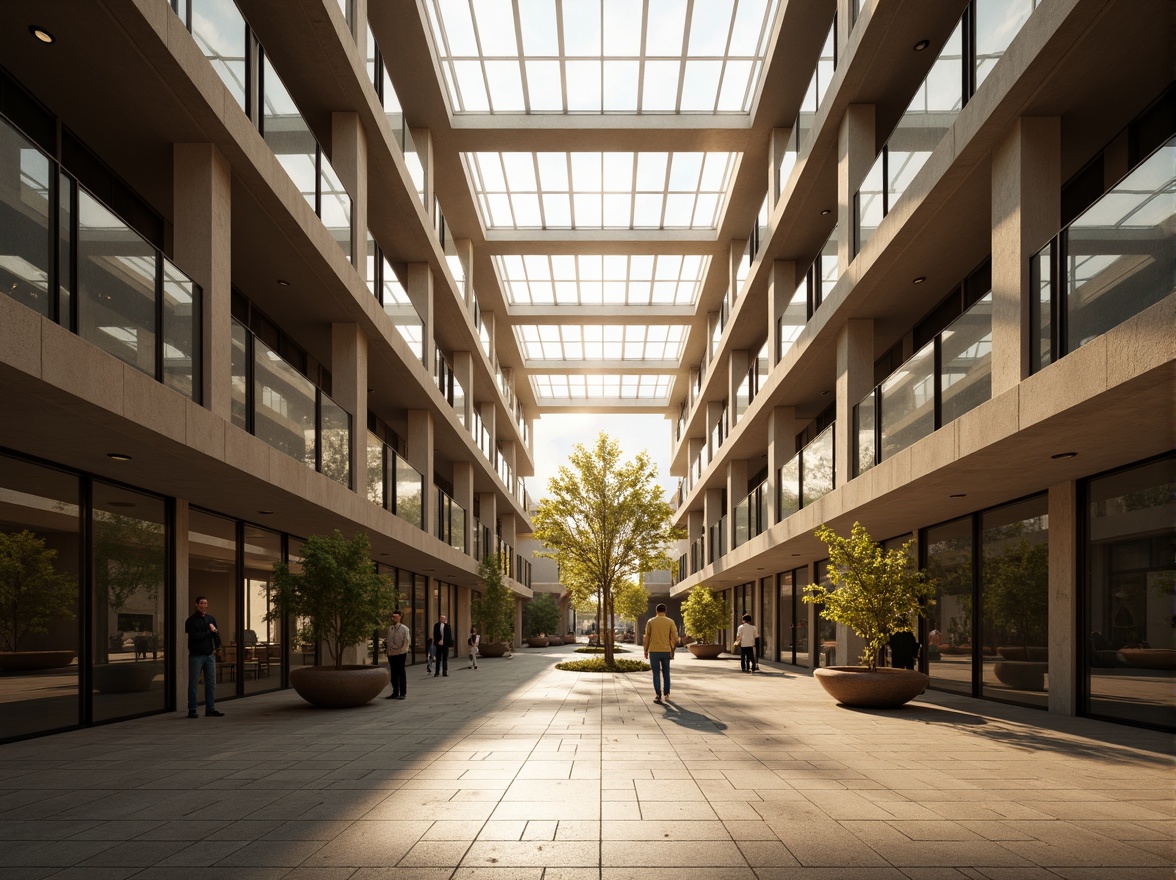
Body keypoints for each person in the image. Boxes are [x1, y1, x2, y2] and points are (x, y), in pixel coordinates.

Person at [184, 596, 224, 718]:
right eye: (201, 603)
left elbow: (216, 634)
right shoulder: (191, 620)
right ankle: (192, 709)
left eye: (205, 603)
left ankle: (210, 708)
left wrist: (218, 647)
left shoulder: (210, 618)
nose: (204, 605)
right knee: (194, 683)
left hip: (209, 655)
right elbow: (194, 636)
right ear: (196, 605)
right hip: (196, 656)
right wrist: (209, 632)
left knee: (211, 683)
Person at [643, 603, 678, 704]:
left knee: (656, 674)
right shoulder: (670, 622)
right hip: (666, 651)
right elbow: (675, 637)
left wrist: (645, 650)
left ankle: (658, 695)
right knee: (666, 672)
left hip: (653, 651)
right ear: (665, 611)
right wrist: (672, 648)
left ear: (656, 611)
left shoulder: (651, 621)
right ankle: (666, 693)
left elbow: (647, 637)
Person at [385, 610, 409, 700]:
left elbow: (406, 642)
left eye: (396, 617)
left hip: (401, 653)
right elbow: (388, 640)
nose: (394, 618)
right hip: (391, 653)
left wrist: (401, 651)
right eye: (393, 617)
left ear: (400, 617)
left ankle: (403, 693)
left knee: (401, 672)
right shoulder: (390, 628)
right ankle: (395, 692)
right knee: (393, 673)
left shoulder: (404, 629)